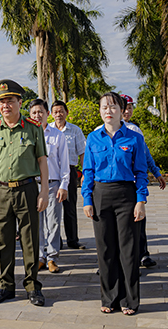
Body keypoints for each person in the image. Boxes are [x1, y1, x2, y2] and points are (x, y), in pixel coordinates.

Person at [0, 79, 49, 307]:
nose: (5, 105)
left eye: (10, 101)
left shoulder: (33, 128)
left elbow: (42, 160)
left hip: (27, 189)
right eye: (1, 102)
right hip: (0, 190)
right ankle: (6, 286)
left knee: (30, 241)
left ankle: (32, 286)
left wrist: (44, 190)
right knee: (3, 241)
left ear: (20, 102)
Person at [82, 91, 149, 316]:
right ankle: (109, 297)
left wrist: (141, 200)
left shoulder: (134, 138)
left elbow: (140, 171)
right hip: (101, 194)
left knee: (128, 251)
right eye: (104, 108)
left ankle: (129, 300)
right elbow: (88, 171)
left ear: (122, 111)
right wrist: (87, 199)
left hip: (126, 195)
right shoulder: (93, 138)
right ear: (100, 111)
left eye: (113, 107)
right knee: (105, 250)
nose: (108, 111)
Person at [121, 94, 166, 269]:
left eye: (130, 107)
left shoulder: (135, 130)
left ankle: (142, 254)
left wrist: (156, 171)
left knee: (138, 219)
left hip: (133, 182)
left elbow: (145, 154)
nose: (127, 111)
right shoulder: (103, 129)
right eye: (125, 107)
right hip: (113, 184)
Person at [28, 99, 69, 274]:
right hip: (32, 185)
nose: (37, 115)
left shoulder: (57, 135)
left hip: (52, 185)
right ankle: (39, 257)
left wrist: (64, 185)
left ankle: (52, 257)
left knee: (53, 223)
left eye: (40, 112)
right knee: (35, 223)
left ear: (47, 114)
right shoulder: (27, 134)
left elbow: (64, 162)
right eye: (34, 113)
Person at [49, 100, 87, 250]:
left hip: (70, 171)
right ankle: (55, 240)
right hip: (52, 173)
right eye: (55, 112)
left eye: (61, 111)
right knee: (52, 209)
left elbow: (82, 152)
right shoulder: (47, 130)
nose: (58, 114)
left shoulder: (75, 130)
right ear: (51, 114)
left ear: (67, 113)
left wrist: (84, 173)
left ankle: (73, 240)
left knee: (70, 207)